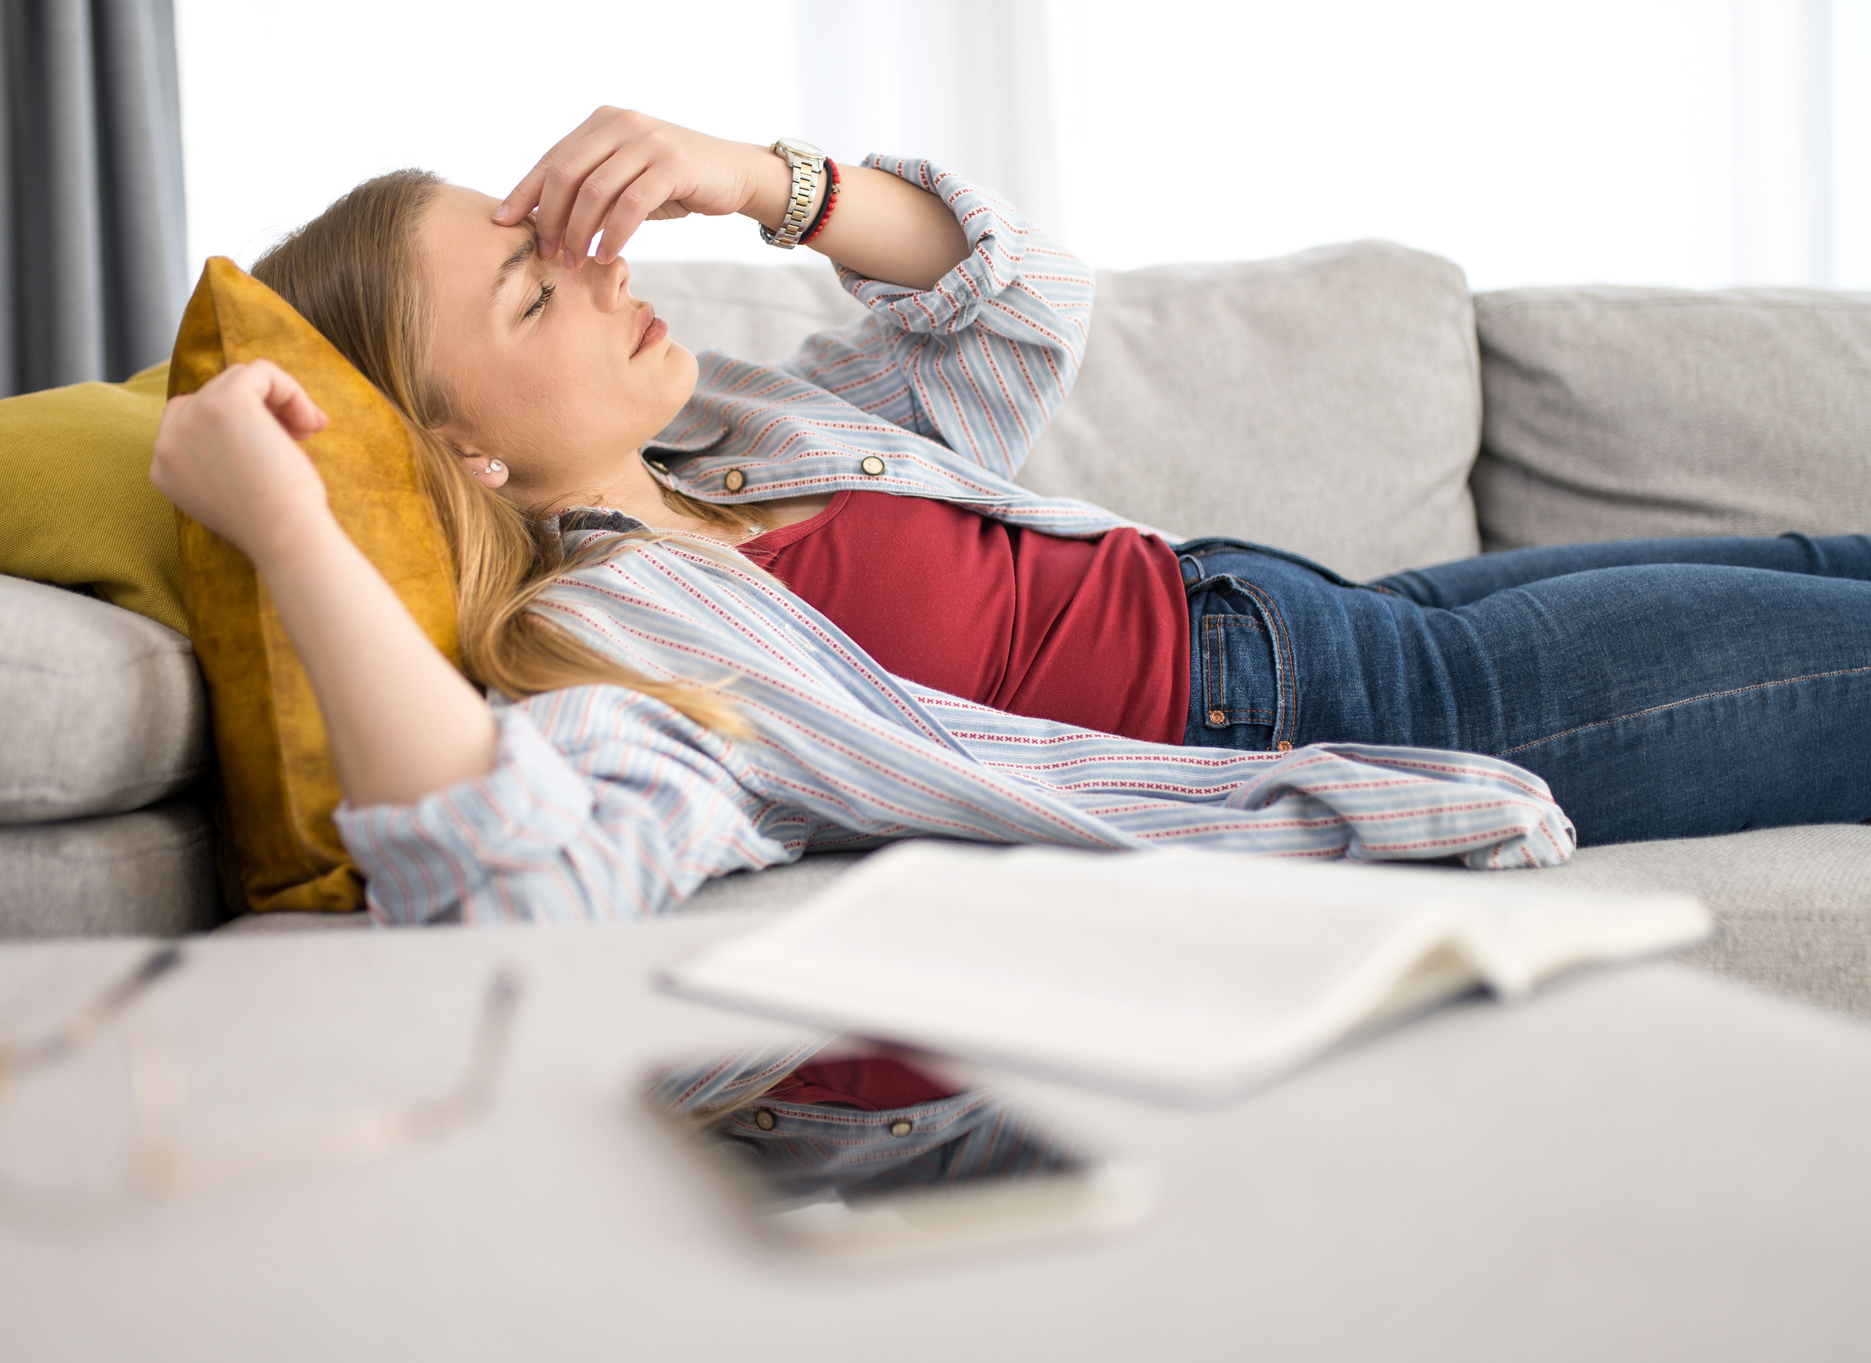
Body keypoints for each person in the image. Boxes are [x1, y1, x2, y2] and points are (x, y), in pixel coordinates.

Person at [148, 109, 1871, 925]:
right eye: (530, 298)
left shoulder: (734, 446)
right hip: (1340, 715)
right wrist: (293, 525)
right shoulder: (604, 651)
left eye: (553, 235)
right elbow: (513, 877)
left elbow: (1017, 296)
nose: (594, 268)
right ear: (463, 461)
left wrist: (760, 182)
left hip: (1314, 610)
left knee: (1829, 567)